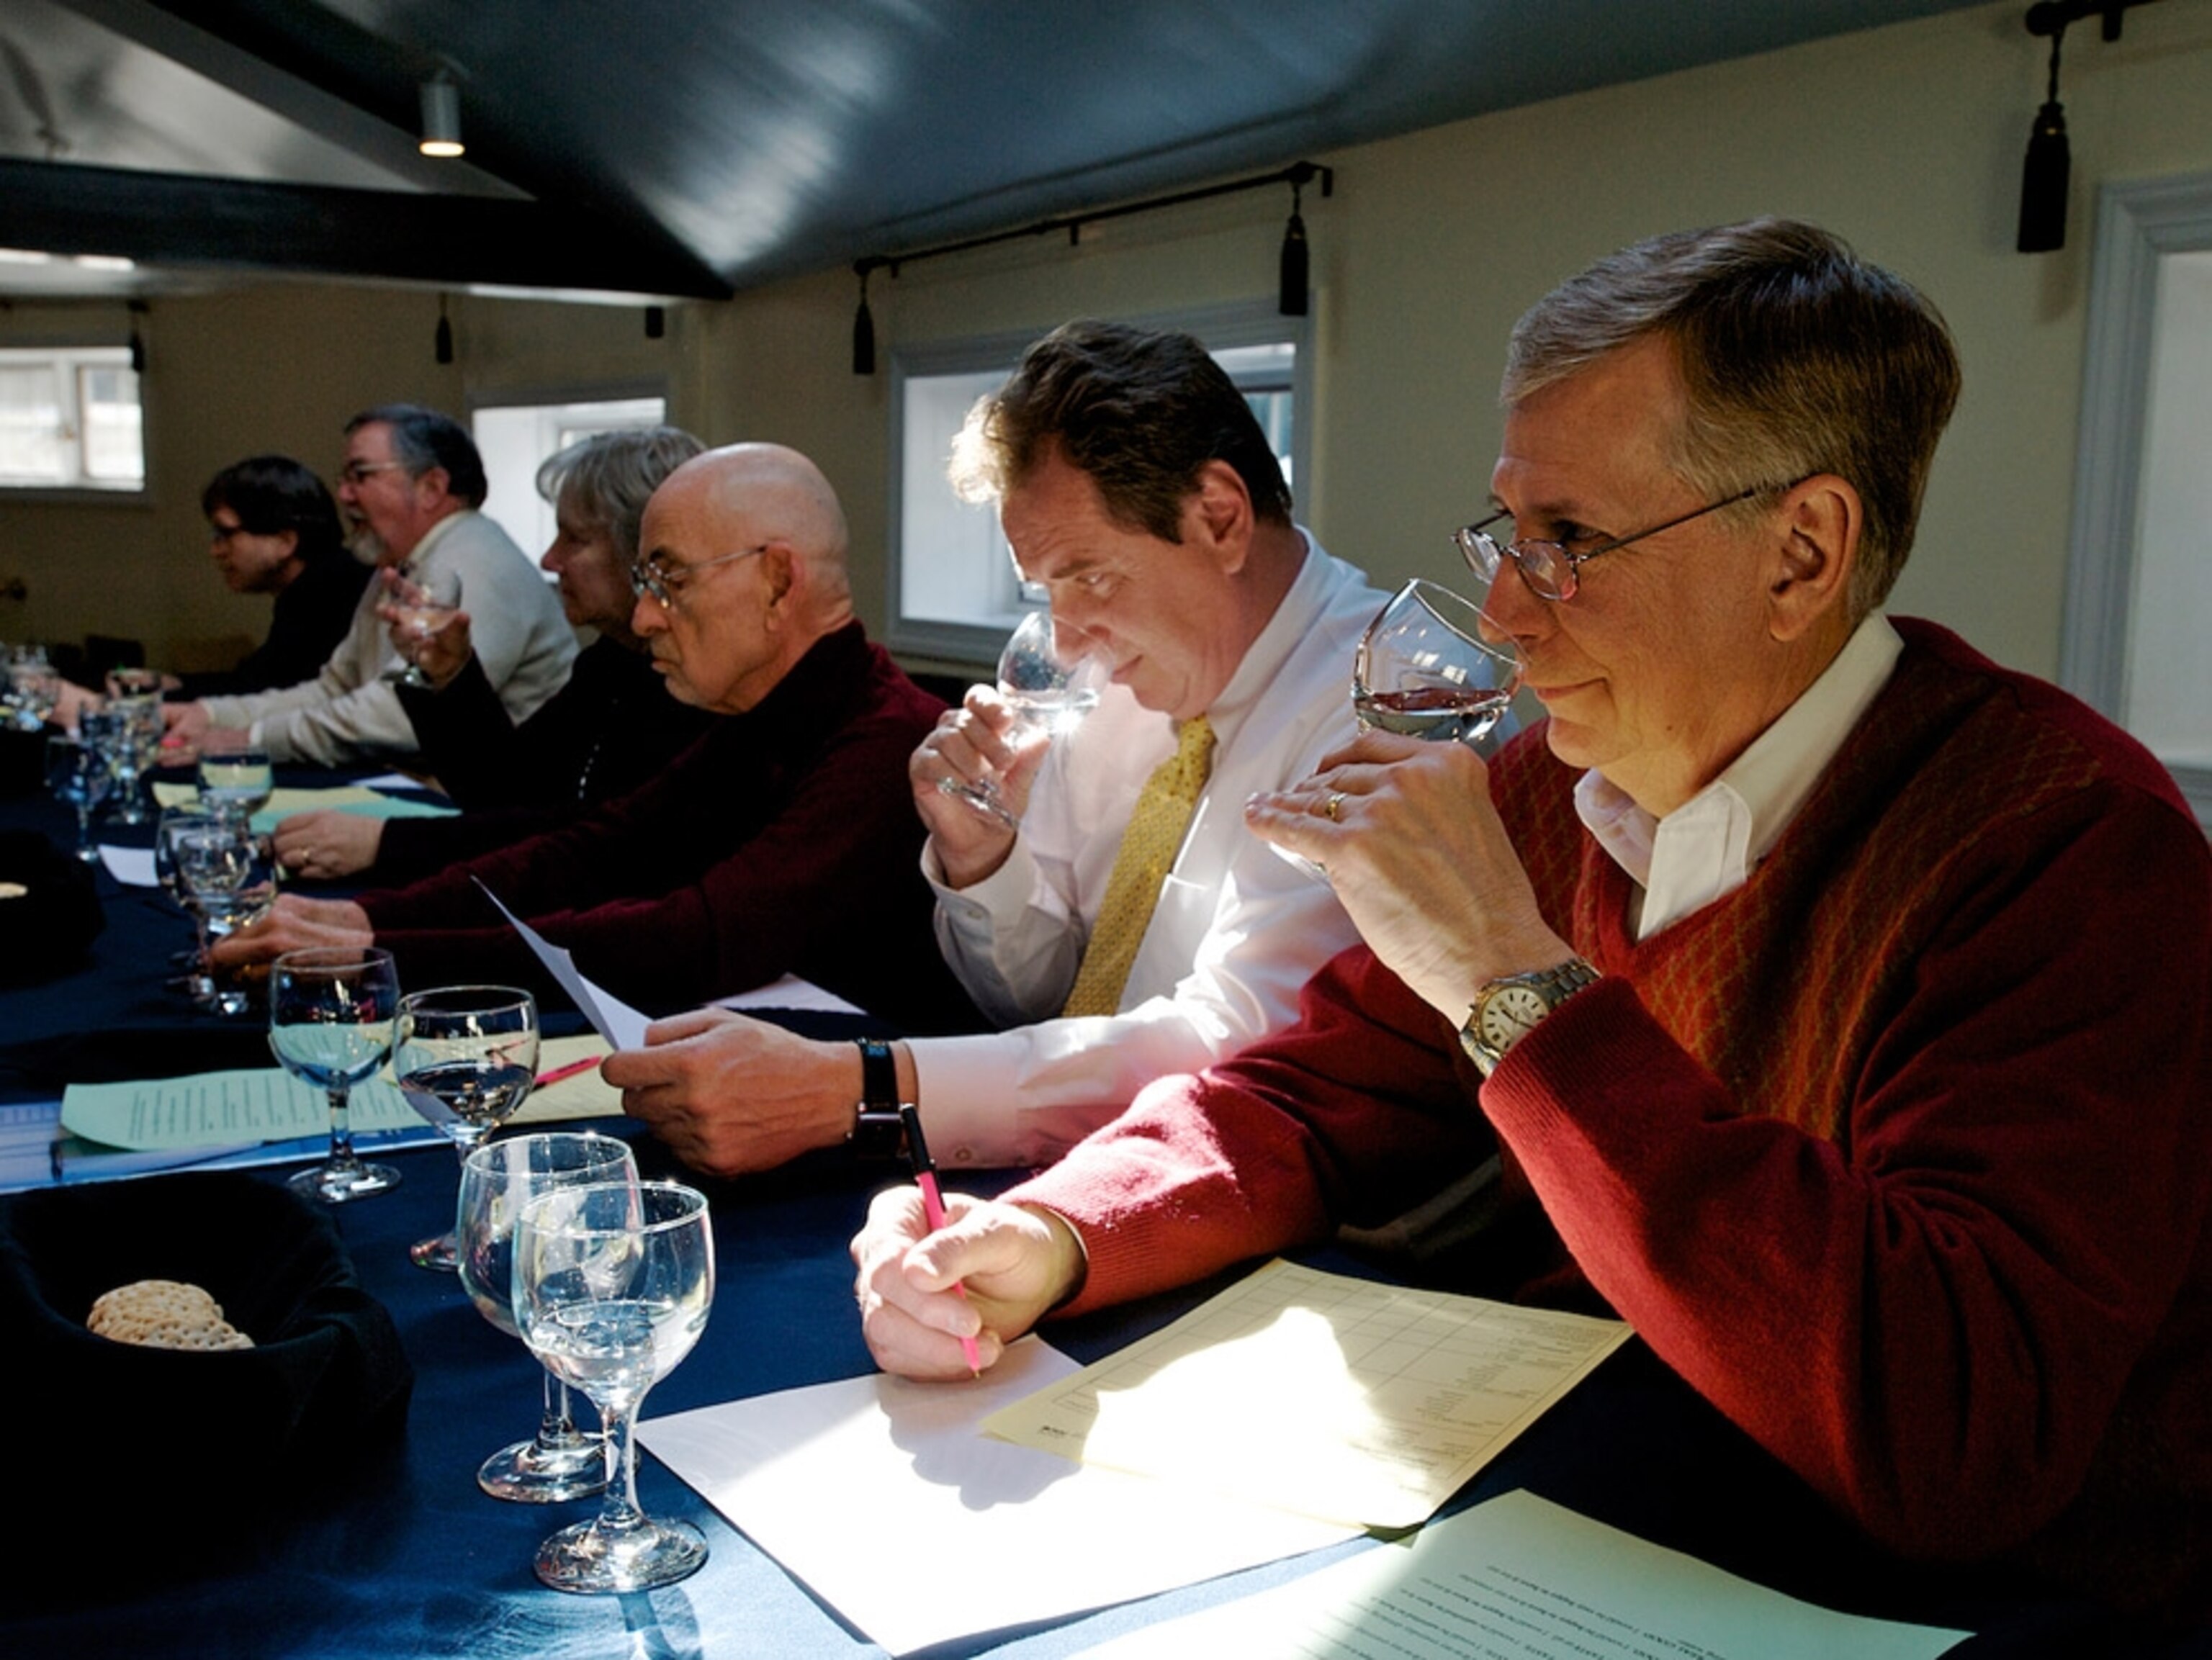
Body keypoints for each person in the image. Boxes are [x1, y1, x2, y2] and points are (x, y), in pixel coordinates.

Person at [851, 222, 2212, 1615]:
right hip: (1616, 1518)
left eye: (1569, 542)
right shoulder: (1553, 791)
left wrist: (1511, 981)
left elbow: (1954, 1437)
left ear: (1802, 554)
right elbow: (1315, 1096)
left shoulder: (2062, 846)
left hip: (1954, 1603)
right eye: (1507, 529)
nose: (1501, 613)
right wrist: (1065, 1228)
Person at [606, 321, 1388, 1176]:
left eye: (1088, 576)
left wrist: (859, 1087)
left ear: (1220, 517)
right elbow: (1038, 1000)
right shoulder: (1117, 680)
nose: (1069, 636)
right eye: (1044, 590)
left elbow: (1233, 1045)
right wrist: (987, 863)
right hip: (1066, 1166)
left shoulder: (1387, 706)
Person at [213, 442, 981, 1034]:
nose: (645, 618)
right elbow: (595, 849)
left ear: (777, 582)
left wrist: (386, 954)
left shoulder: (888, 740)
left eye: (668, 581)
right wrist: (368, 919)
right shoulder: (775, 709)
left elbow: (699, 934)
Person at [271, 425, 716, 883]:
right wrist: (448, 674)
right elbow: (509, 789)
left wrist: (384, 843)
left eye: (574, 538)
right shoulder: (614, 659)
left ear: (646, 554)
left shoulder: (703, 680)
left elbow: (592, 840)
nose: (549, 559)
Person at [166, 404, 576, 766]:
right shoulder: (401, 563)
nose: (343, 494)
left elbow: (399, 715)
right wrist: (211, 715)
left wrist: (249, 740)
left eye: (360, 475)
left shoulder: (470, 561)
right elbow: (336, 688)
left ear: (431, 487)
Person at [173, 456, 372, 698]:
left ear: (285, 542)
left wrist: (167, 694)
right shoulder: (318, 585)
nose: (215, 550)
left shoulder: (327, 598)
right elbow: (258, 679)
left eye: (226, 534)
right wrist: (169, 684)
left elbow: (267, 692)